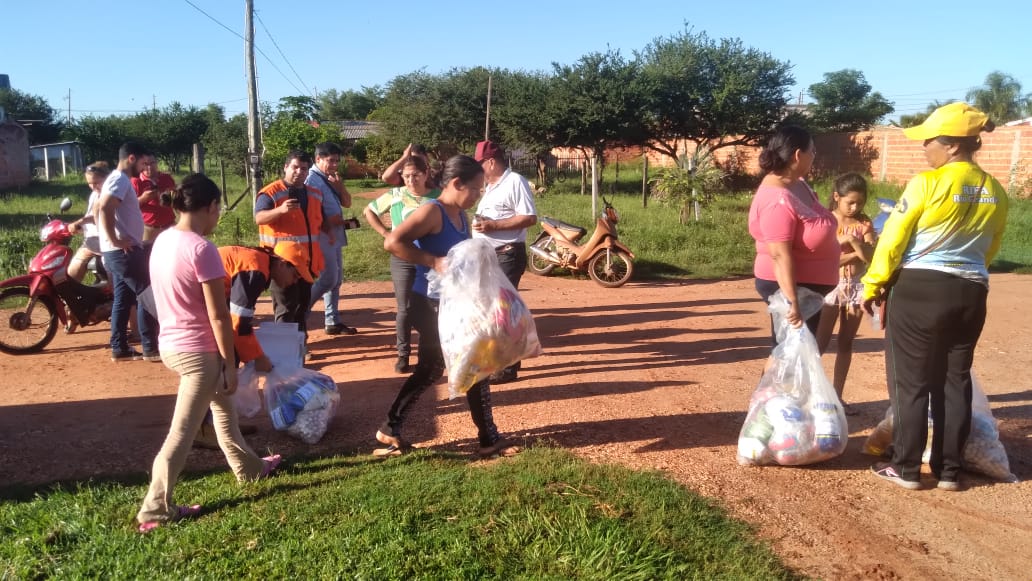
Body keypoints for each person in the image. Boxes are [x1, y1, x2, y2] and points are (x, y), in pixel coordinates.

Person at [863, 103, 1008, 491]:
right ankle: (949, 472)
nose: (924, 147)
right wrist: (967, 273)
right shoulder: (995, 190)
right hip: (971, 291)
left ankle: (906, 468)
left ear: (952, 145)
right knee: (954, 381)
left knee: (911, 382)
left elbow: (893, 239)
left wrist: (873, 284)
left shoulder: (926, 183)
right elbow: (991, 246)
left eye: (929, 140)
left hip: (920, 290)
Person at [137, 174, 280, 534]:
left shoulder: (164, 239)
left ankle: (249, 468)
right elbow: (219, 315)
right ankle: (155, 510)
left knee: (224, 411)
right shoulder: (202, 250)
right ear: (212, 206)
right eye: (218, 209)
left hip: (172, 344)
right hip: (199, 353)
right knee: (181, 433)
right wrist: (229, 363)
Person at [375, 155, 518, 458]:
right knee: (474, 364)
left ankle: (390, 428)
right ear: (456, 184)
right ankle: (488, 438)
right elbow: (393, 242)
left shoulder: (460, 215)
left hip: (450, 302)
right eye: (475, 189)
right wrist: (432, 261)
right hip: (428, 304)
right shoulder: (432, 211)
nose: (478, 194)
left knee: (432, 368)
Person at [194, 242, 312, 449]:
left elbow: (236, 321)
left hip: (202, 303)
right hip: (192, 304)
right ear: (282, 264)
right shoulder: (255, 269)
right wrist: (258, 357)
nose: (295, 282)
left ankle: (222, 424)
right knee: (218, 363)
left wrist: (251, 354)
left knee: (229, 356)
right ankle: (202, 428)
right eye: (295, 275)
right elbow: (238, 323)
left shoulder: (259, 265)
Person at [747, 126, 839, 344]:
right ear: (798, 155)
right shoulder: (776, 199)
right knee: (789, 352)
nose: (814, 156)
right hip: (790, 288)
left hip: (806, 289)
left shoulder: (797, 183)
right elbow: (779, 254)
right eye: (812, 151)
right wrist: (792, 301)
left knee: (795, 351)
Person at [363, 154, 441, 373]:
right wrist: (385, 233)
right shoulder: (395, 194)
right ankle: (403, 354)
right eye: (406, 176)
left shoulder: (438, 197)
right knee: (404, 308)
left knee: (431, 306)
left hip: (429, 258)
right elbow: (369, 210)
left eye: (415, 175)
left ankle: (429, 354)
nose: (410, 180)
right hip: (402, 258)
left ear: (426, 174)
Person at [471, 140, 538, 383]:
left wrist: (493, 225)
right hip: (491, 256)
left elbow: (529, 217)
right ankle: (501, 361)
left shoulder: (514, 182)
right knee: (493, 310)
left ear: (491, 162)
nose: (478, 169)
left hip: (507, 254)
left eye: (479, 164)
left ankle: (508, 368)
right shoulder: (490, 187)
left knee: (504, 312)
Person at [815, 173, 876, 414]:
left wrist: (852, 241)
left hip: (856, 288)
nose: (855, 208)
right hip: (832, 286)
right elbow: (825, 260)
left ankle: (838, 396)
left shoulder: (864, 223)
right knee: (820, 343)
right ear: (837, 197)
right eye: (850, 202)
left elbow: (870, 257)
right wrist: (856, 253)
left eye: (860, 203)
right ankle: (812, 395)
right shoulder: (827, 220)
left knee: (846, 342)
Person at [98, 141, 160, 362]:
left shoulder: (115, 179)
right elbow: (104, 207)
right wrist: (115, 239)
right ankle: (150, 347)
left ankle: (120, 348)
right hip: (124, 252)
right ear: (131, 158)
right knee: (146, 294)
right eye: (143, 163)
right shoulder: (120, 179)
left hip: (117, 252)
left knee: (123, 299)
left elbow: (103, 208)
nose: (144, 168)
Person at [254, 150, 324, 344]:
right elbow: (259, 218)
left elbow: (317, 224)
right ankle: (284, 351)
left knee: (302, 308)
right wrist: (280, 210)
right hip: (282, 265)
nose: (299, 172)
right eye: (295, 167)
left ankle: (300, 347)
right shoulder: (271, 192)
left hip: (306, 264)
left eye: (304, 169)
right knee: (285, 310)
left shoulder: (315, 194)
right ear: (285, 167)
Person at [306, 141, 357, 336]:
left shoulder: (330, 178)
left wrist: (340, 186)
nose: (335, 165)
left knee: (336, 280)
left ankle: (332, 321)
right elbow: (308, 213)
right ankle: (300, 313)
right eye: (331, 161)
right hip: (321, 235)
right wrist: (328, 221)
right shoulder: (311, 180)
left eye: (337, 161)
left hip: (334, 234)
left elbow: (347, 202)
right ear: (318, 159)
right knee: (328, 279)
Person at [67, 162, 109, 283]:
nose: (93, 186)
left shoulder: (111, 195)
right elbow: (91, 217)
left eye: (96, 182)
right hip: (91, 242)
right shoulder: (94, 195)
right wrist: (80, 226)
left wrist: (82, 221)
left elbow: (100, 217)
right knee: (72, 273)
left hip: (108, 243)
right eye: (90, 183)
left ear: (106, 178)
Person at [131, 154, 177, 246]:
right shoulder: (136, 181)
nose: (149, 167)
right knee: (148, 253)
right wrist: (143, 199)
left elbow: (176, 198)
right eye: (145, 164)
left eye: (152, 163)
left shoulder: (166, 178)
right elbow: (130, 207)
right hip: (149, 229)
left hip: (170, 226)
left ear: (156, 163)